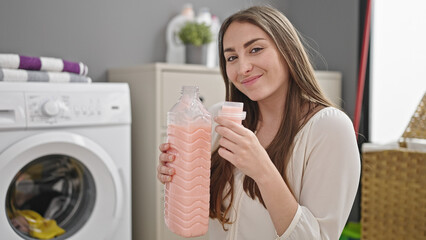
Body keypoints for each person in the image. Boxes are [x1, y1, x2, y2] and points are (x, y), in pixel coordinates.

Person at [157, 5, 360, 240]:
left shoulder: (329, 129)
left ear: (288, 50)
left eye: (255, 49)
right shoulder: (217, 118)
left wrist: (262, 170)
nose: (242, 68)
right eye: (231, 57)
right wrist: (180, 179)